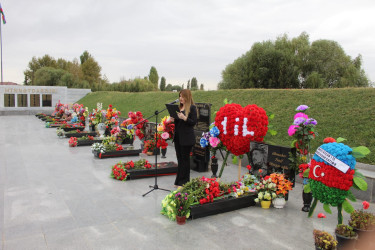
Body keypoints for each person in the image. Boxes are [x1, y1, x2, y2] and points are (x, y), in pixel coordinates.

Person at [170, 89, 197, 187]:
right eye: (180, 96)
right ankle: (178, 181)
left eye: (182, 96)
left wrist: (184, 118)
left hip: (187, 138)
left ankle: (185, 182)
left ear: (187, 97)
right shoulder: (179, 108)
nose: (180, 98)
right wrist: (172, 120)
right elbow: (178, 124)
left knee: (185, 160)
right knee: (180, 160)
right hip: (178, 137)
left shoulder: (192, 108)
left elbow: (193, 122)